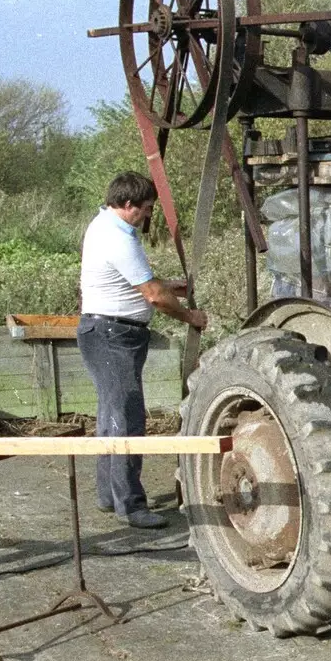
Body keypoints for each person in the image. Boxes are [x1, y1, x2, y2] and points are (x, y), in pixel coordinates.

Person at [78, 172, 206, 529]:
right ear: (129, 204)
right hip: (112, 333)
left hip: (106, 330)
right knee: (126, 419)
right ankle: (132, 506)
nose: (147, 216)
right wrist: (188, 315)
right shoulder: (118, 238)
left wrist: (167, 287)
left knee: (111, 416)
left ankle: (110, 495)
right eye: (146, 209)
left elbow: (139, 284)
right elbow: (151, 294)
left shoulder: (104, 227)